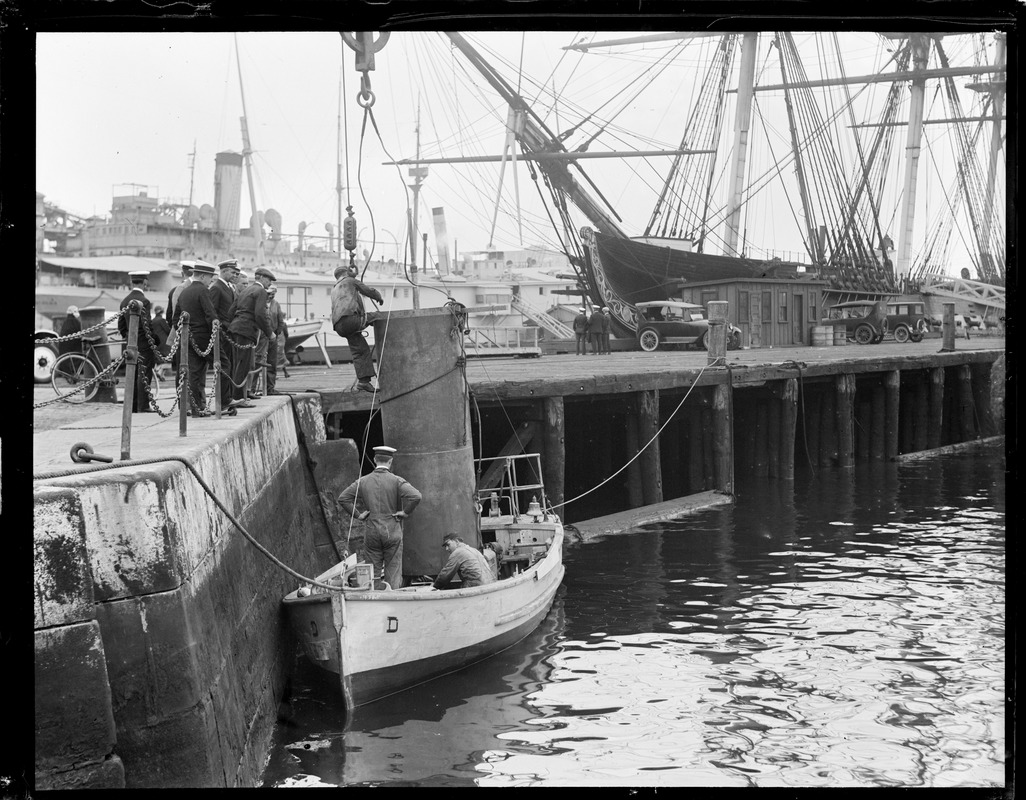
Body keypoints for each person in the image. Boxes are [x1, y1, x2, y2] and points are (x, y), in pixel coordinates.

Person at [338, 445, 422, 590]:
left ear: (375, 459)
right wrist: (405, 512)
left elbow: (343, 498)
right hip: (392, 529)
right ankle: (393, 598)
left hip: (372, 530)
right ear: (390, 462)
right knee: (393, 571)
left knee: (373, 572)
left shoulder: (363, 481)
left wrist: (358, 515)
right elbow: (416, 496)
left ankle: (373, 600)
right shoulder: (396, 481)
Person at [171, 260, 217, 416]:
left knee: (194, 374)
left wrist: (185, 332)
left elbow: (175, 317)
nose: (212, 280)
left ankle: (197, 408)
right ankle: (223, 403)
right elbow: (210, 315)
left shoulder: (184, 291)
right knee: (223, 364)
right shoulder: (203, 290)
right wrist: (216, 336)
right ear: (203, 276)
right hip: (204, 338)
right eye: (211, 277)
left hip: (188, 339)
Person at [330, 264, 383, 392]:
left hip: (339, 326)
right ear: (346, 273)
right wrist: (378, 297)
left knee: (360, 350)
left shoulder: (334, 288)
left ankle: (363, 382)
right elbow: (367, 290)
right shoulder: (349, 281)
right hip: (350, 320)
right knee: (378, 316)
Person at [227, 266, 275, 408]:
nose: (270, 284)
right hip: (247, 331)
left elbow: (231, 311)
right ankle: (239, 397)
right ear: (260, 278)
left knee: (237, 363)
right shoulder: (260, 291)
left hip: (236, 329)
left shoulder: (246, 290)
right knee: (244, 365)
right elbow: (260, 314)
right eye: (268, 280)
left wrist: (232, 326)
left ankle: (236, 395)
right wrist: (270, 333)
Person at [118, 270, 156, 412]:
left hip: (130, 343)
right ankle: (143, 405)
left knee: (132, 374)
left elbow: (121, 326)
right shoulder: (144, 301)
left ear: (131, 282)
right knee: (144, 374)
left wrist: (128, 338)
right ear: (145, 282)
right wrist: (154, 340)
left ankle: (132, 405)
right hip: (143, 344)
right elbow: (147, 325)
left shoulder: (124, 301)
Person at [209, 259, 240, 408]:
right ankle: (223, 400)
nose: (235, 275)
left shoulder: (229, 288)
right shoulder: (217, 288)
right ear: (224, 271)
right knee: (225, 365)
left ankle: (228, 397)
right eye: (233, 272)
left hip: (230, 333)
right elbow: (213, 311)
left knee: (230, 365)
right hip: (223, 334)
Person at [166, 260, 194, 372]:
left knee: (181, 367)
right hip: (188, 332)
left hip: (179, 332)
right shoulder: (183, 289)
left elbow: (170, 315)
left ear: (182, 273)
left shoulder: (174, 290)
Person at [264, 284, 288, 395]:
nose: (270, 296)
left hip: (273, 337)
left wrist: (276, 333)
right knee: (256, 363)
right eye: (268, 294)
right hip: (261, 337)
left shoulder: (276, 304)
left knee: (272, 363)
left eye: (272, 294)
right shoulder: (260, 302)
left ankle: (270, 388)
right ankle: (252, 389)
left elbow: (281, 321)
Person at [150, 305, 172, 380]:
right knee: (168, 359)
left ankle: (161, 375)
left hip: (156, 342)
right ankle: (159, 370)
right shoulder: (162, 320)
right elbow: (168, 330)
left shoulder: (152, 321)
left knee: (158, 358)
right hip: (164, 342)